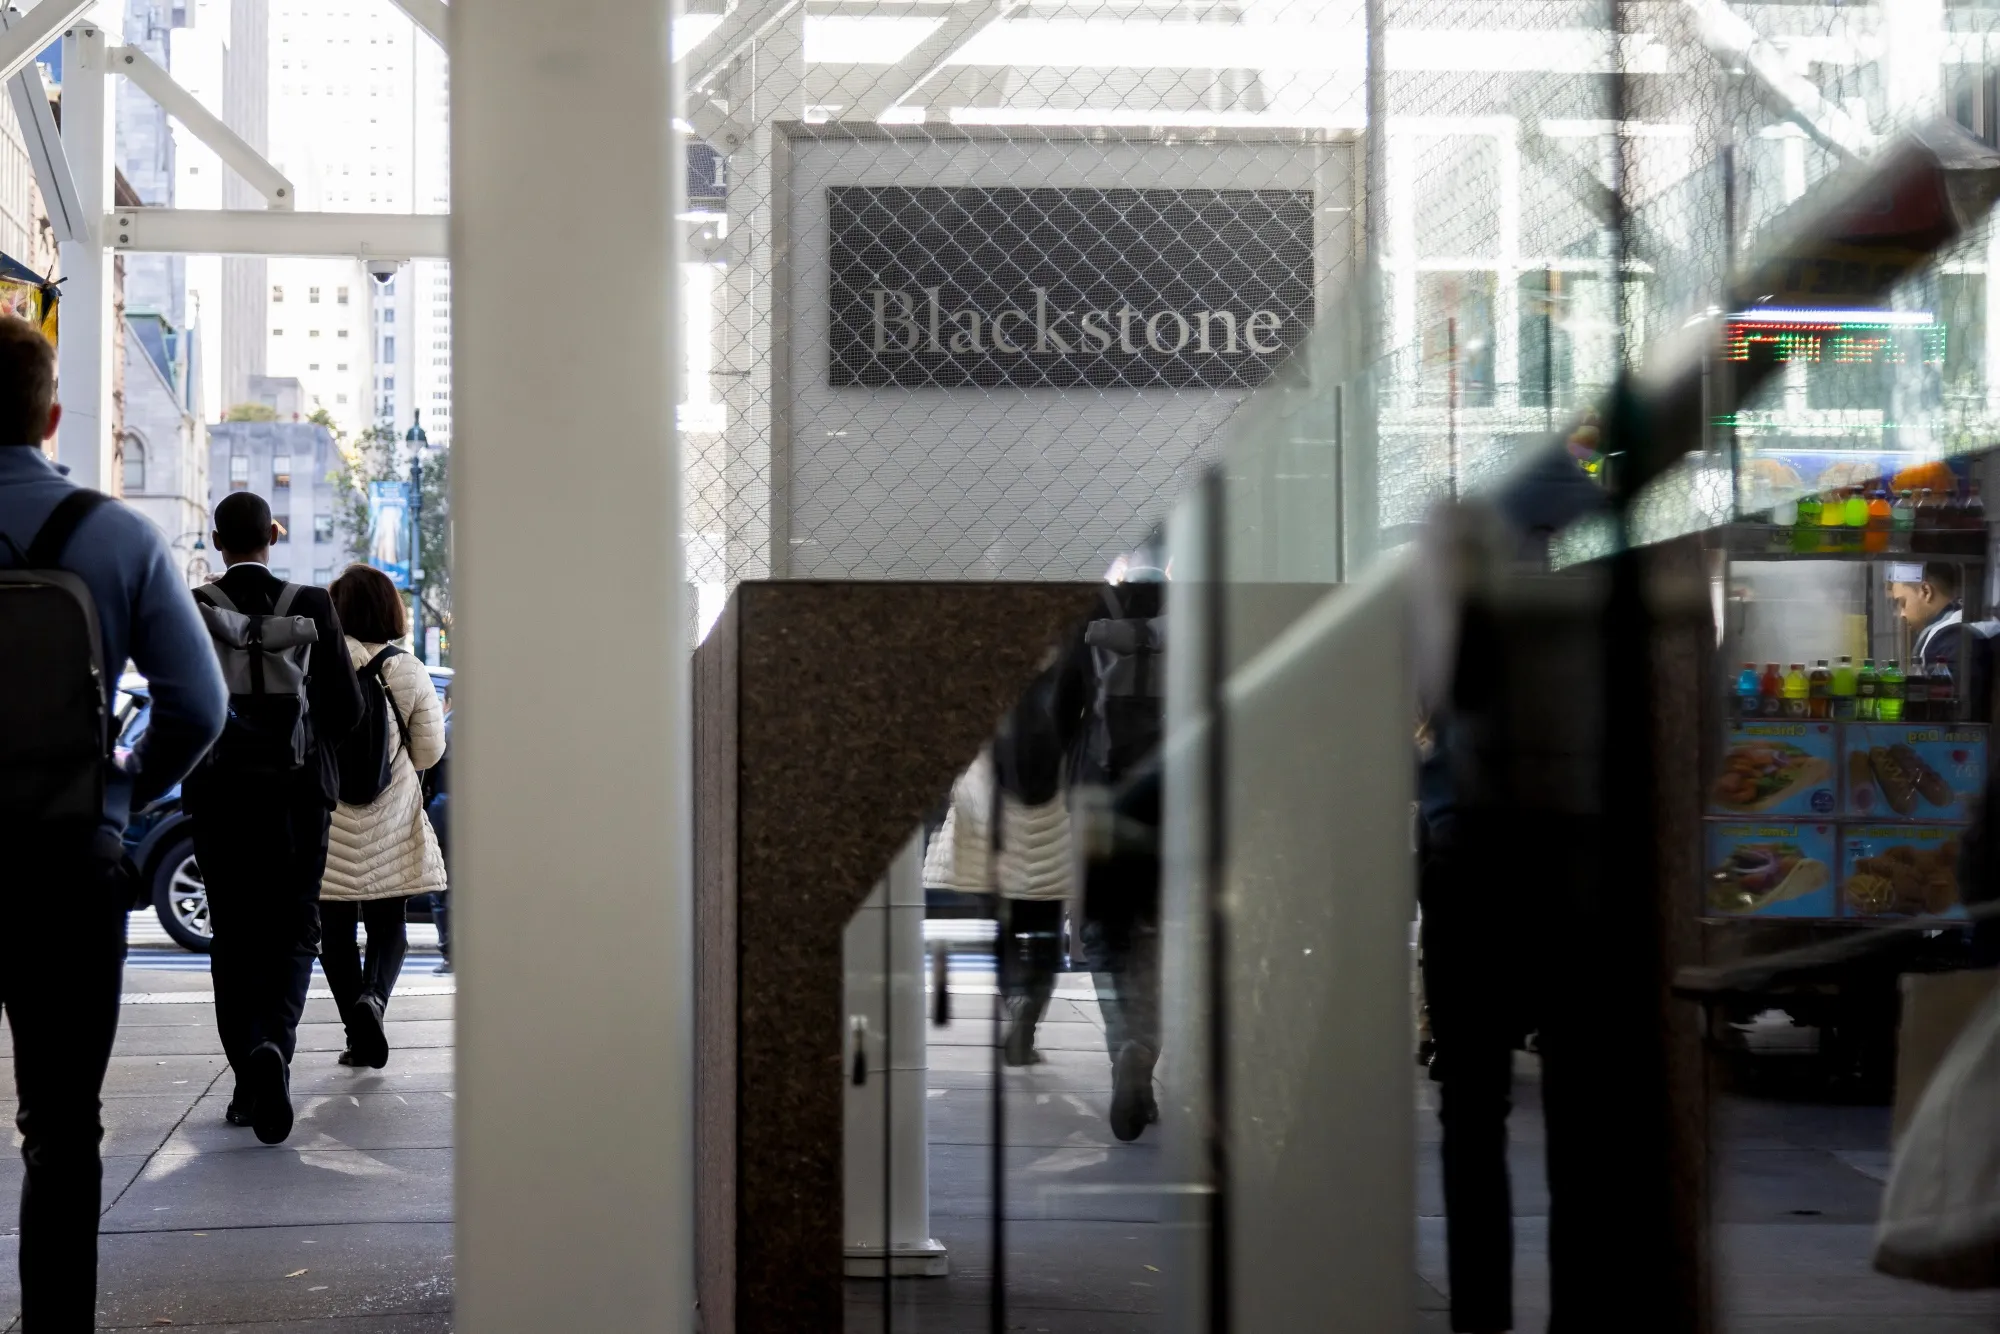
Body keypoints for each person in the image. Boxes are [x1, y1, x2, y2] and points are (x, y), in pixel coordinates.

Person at [0, 315, 226, 1327]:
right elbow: (199, 707)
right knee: (61, 1127)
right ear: (51, 416)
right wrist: (124, 789)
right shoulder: (118, 536)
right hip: (65, 862)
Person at [186, 492, 363, 1144]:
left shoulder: (197, 606)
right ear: (274, 536)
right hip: (298, 797)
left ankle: (246, 1080)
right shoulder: (311, 604)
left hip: (220, 795)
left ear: (217, 541)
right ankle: (274, 1047)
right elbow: (346, 708)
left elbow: (180, 703)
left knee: (233, 932)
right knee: (294, 929)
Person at [1052, 542, 1166, 1142]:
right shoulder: (1199, 623)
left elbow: (1057, 712)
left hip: (1099, 793)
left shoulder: (1089, 624)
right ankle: (1144, 1048)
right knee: (1160, 934)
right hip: (1173, 798)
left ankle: (1124, 1044)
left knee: (1104, 932)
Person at [320, 564, 447, 1065]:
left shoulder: (316, 664)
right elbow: (429, 752)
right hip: (390, 818)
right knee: (388, 923)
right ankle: (373, 1000)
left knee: (333, 932)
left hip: (329, 818)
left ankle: (356, 1032)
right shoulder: (408, 670)